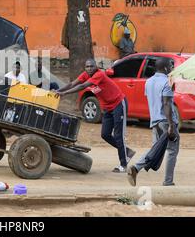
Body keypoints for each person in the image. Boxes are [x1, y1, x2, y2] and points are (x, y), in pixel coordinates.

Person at [55, 59, 136, 173]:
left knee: (119, 135)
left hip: (118, 104)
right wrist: (58, 91)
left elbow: (82, 86)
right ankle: (127, 151)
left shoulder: (99, 75)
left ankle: (123, 164)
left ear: (96, 67)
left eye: (91, 66)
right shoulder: (85, 75)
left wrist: (64, 94)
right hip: (108, 108)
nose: (89, 68)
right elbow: (73, 84)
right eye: (87, 67)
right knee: (105, 134)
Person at [127, 57, 180, 186]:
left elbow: (153, 100)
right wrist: (172, 125)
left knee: (155, 149)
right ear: (166, 68)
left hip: (155, 120)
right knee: (172, 150)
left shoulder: (148, 82)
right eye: (171, 66)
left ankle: (136, 168)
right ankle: (168, 181)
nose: (172, 68)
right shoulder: (167, 82)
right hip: (166, 121)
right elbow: (166, 103)